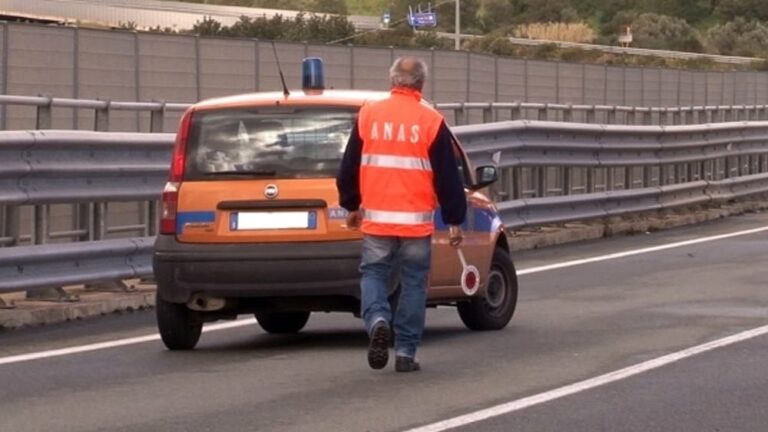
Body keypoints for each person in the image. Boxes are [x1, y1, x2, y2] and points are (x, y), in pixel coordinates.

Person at [336, 56, 467, 372]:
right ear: (421, 84)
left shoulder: (369, 115)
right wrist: (454, 220)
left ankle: (378, 319)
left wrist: (351, 205)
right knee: (413, 283)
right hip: (416, 222)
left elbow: (349, 166)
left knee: (374, 273)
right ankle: (406, 352)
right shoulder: (431, 120)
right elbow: (448, 177)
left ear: (392, 81)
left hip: (378, 219)